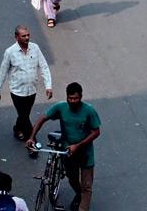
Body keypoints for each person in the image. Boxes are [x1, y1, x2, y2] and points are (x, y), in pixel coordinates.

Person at [27, 82, 100, 211]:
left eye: (76, 98)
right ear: (66, 97)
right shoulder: (60, 107)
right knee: (72, 178)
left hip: (85, 154)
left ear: (81, 97)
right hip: (67, 152)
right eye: (70, 98)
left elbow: (96, 132)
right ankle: (78, 194)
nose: (73, 101)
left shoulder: (89, 111)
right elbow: (42, 119)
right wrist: (32, 137)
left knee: (86, 187)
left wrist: (78, 145)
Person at [0, 25, 53, 146]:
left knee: (24, 114)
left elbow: (44, 67)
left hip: (32, 90)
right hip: (17, 92)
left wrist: (48, 85)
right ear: (16, 37)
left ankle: (17, 128)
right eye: (23, 36)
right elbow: (2, 72)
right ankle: (32, 142)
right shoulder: (10, 52)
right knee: (25, 117)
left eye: (28, 35)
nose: (27, 38)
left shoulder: (35, 48)